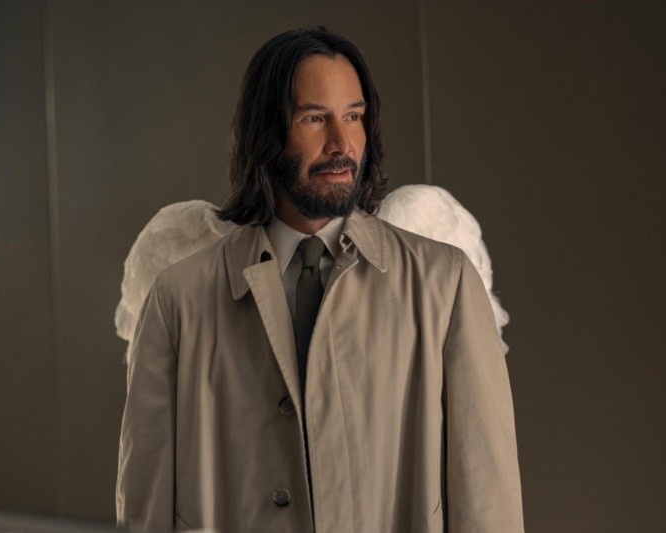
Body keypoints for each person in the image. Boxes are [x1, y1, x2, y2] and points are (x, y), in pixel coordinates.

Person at [116, 27, 524, 532]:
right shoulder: (178, 300)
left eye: (354, 117)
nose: (341, 144)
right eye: (314, 118)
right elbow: (146, 508)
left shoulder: (445, 284)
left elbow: (487, 499)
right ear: (266, 131)